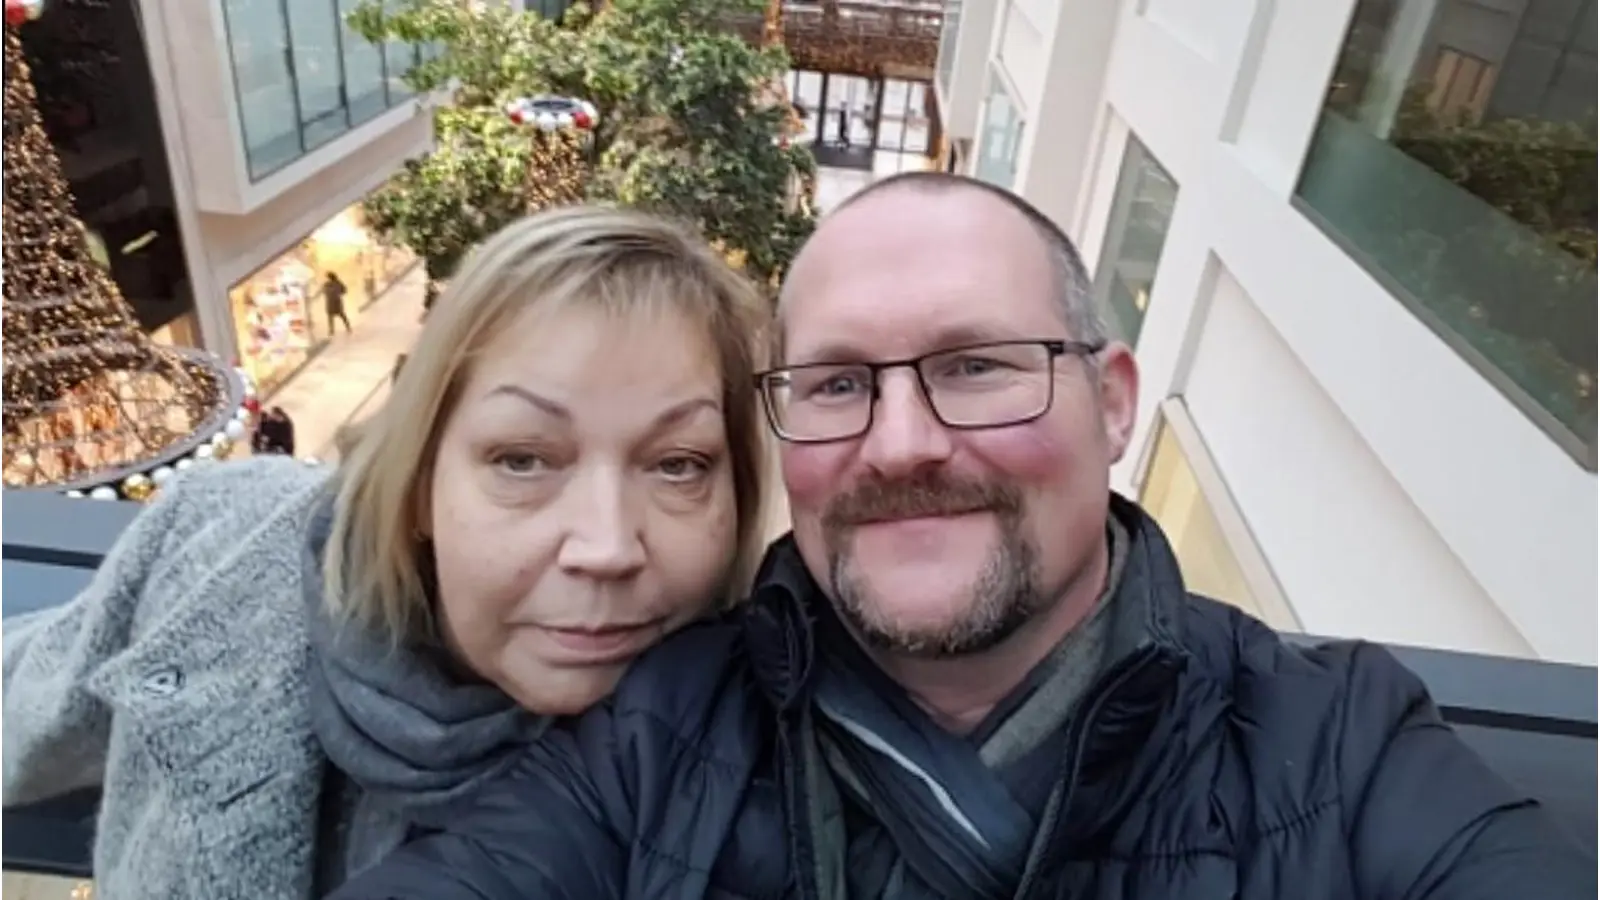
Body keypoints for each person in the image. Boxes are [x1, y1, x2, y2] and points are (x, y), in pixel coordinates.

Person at [331, 173, 1595, 899]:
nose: (899, 445)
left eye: (976, 365)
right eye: (838, 383)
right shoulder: (659, 728)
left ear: (1112, 404)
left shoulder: (1342, 747)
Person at [2, 205, 772, 900]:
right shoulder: (218, 542)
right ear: (421, 479)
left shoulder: (774, 784)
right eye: (522, 459)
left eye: (678, 465)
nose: (606, 547)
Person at [324, 271, 352, 335]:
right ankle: (347, 327)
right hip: (334, 302)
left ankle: (332, 330)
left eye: (327, 277)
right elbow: (344, 290)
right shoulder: (337, 283)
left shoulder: (329, 284)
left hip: (332, 302)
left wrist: (337, 293)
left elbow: (344, 290)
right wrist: (338, 294)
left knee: (334, 316)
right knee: (340, 315)